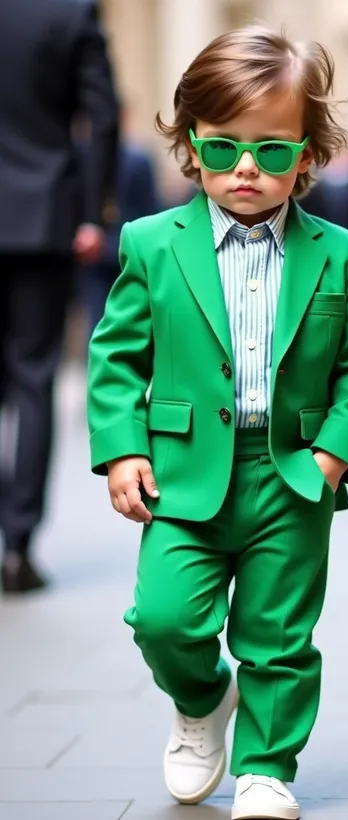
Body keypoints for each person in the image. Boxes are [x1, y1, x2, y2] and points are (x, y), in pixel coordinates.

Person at [87, 26, 348, 820]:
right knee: (163, 619)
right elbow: (116, 356)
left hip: (289, 472)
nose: (247, 168)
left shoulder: (341, 254)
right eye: (223, 149)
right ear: (191, 147)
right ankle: (201, 702)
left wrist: (334, 455)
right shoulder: (152, 244)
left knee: (278, 635)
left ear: (308, 151)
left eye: (271, 149)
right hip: (183, 474)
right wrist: (122, 452)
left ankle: (265, 765)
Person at [0, 0, 118, 594]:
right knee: (34, 376)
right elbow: (102, 114)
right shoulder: (70, 12)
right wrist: (94, 209)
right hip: (41, 215)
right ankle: (17, 544)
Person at [78, 107, 161, 337]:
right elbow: (150, 208)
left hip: (102, 249)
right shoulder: (137, 158)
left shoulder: (86, 155)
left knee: (100, 314)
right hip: (115, 250)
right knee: (123, 313)